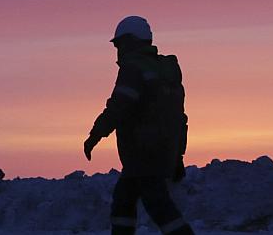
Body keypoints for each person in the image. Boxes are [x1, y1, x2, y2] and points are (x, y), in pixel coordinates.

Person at [83, 16, 194, 235]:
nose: (118, 50)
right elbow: (179, 119)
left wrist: (95, 134)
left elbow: (119, 106)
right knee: (124, 199)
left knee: (157, 204)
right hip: (160, 151)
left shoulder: (134, 69)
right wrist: (177, 156)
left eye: (119, 44)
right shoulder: (165, 71)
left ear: (131, 41)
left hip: (144, 151)